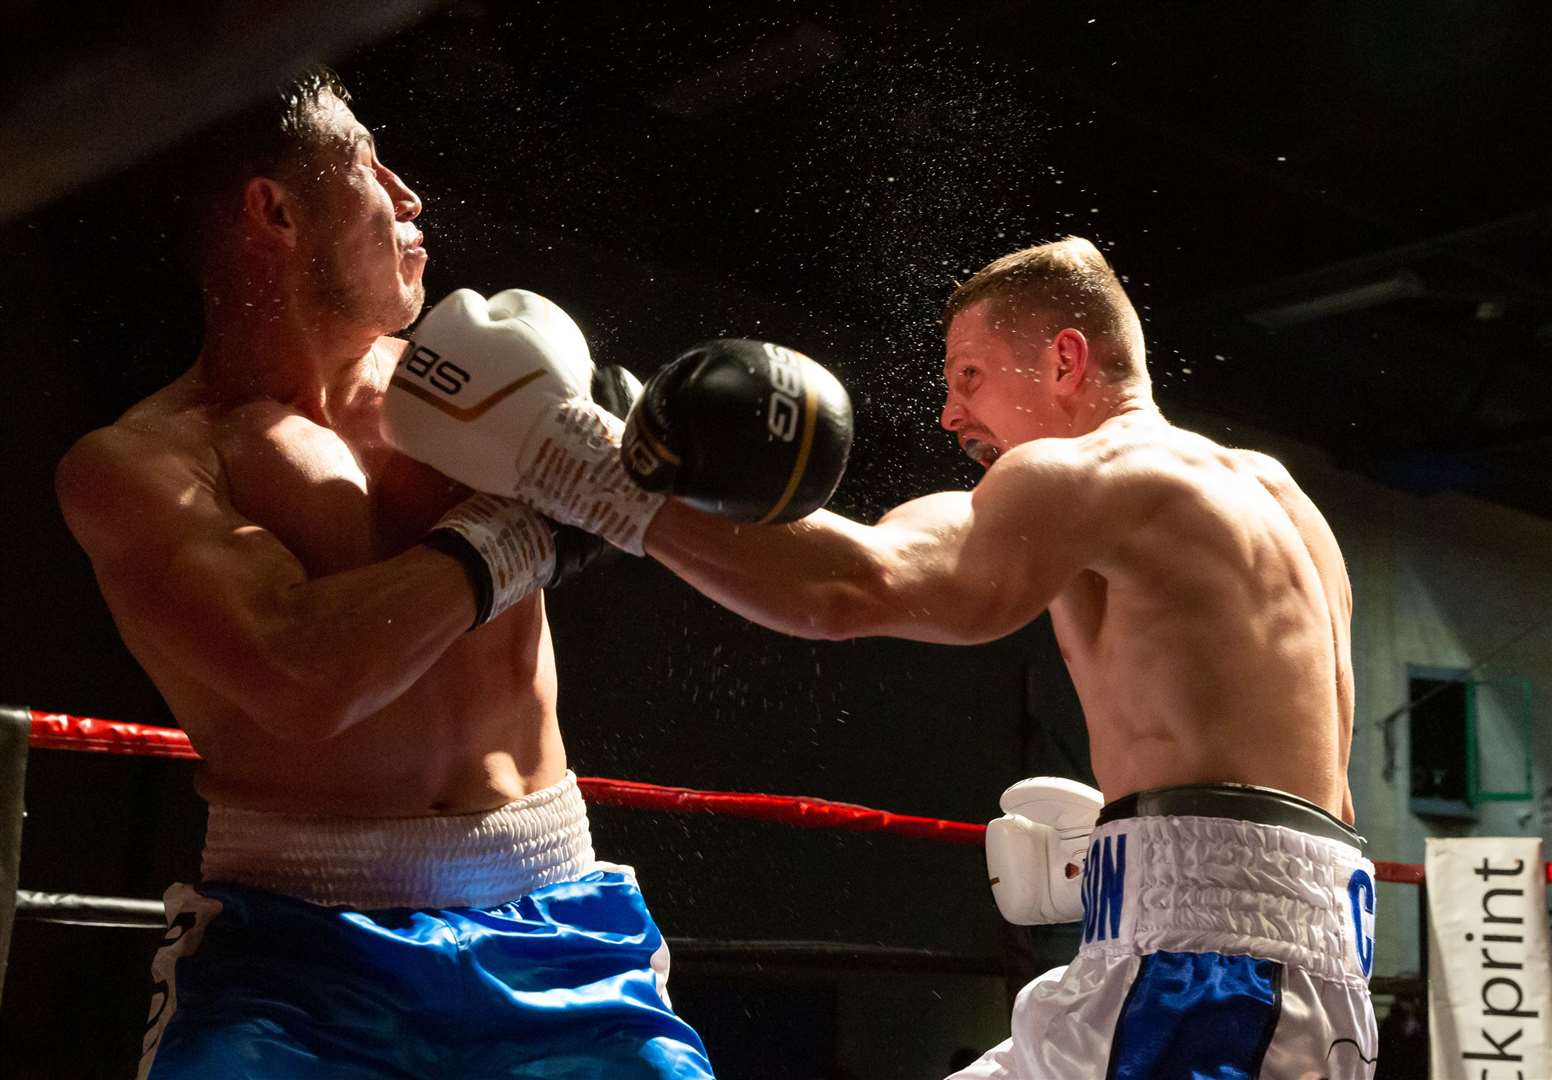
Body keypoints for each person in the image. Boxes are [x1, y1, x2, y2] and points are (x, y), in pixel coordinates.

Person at [403, 236, 1376, 1078]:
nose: (951, 415)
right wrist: (1136, 853)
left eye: (969, 376)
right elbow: (1299, 794)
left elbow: (849, 591)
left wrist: (573, 459)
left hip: (1214, 975)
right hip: (1249, 952)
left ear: (1066, 359)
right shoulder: (1272, 495)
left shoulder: (1090, 477)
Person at [55, 69, 716, 1079]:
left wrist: (723, 467)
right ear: (274, 211)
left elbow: (728, 554)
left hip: (560, 932)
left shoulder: (497, 394)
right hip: (292, 956)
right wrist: (526, 530)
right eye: (368, 163)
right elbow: (301, 679)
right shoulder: (142, 465)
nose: (408, 196)